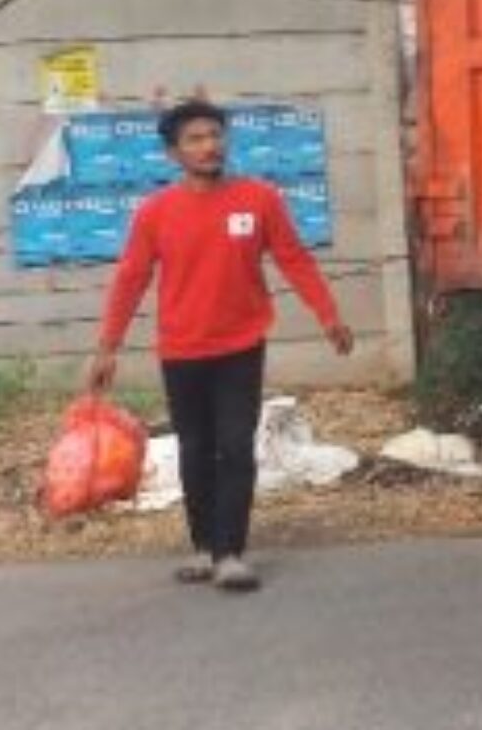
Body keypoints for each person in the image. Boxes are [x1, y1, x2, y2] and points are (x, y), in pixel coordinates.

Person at [88, 98, 350, 593]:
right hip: (181, 349)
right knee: (195, 448)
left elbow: (294, 259)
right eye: (196, 139)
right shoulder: (155, 213)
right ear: (174, 153)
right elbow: (130, 279)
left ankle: (231, 553)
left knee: (234, 446)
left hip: (241, 345)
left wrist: (329, 315)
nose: (209, 145)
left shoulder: (259, 199)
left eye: (215, 135)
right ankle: (204, 547)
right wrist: (108, 348)